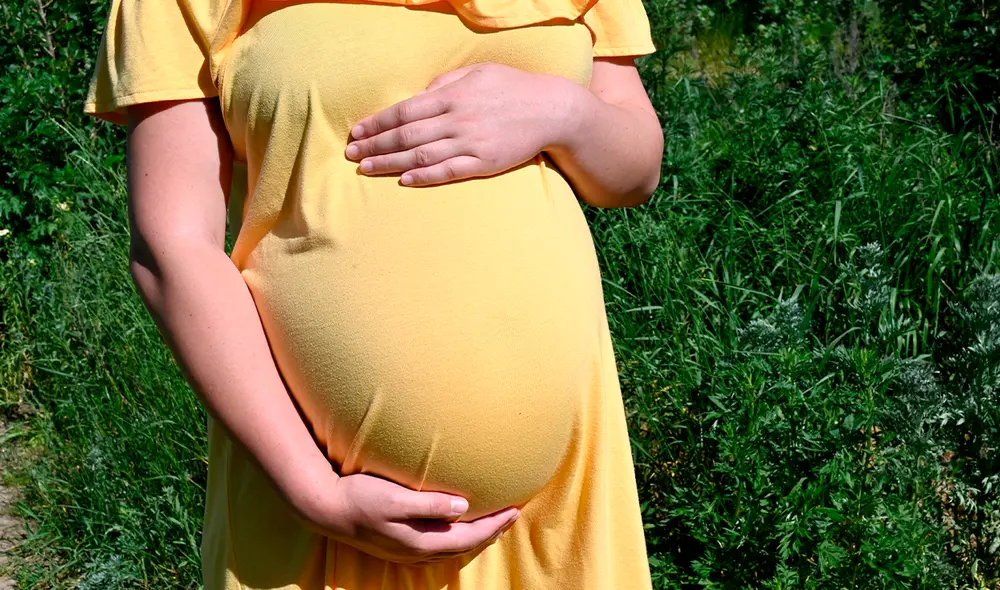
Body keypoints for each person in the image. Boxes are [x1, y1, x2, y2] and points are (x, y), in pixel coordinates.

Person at [85, 0, 664, 587]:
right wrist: (316, 493)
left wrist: (565, 113)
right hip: (320, 504)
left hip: (552, 513)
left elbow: (635, 171)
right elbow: (172, 247)